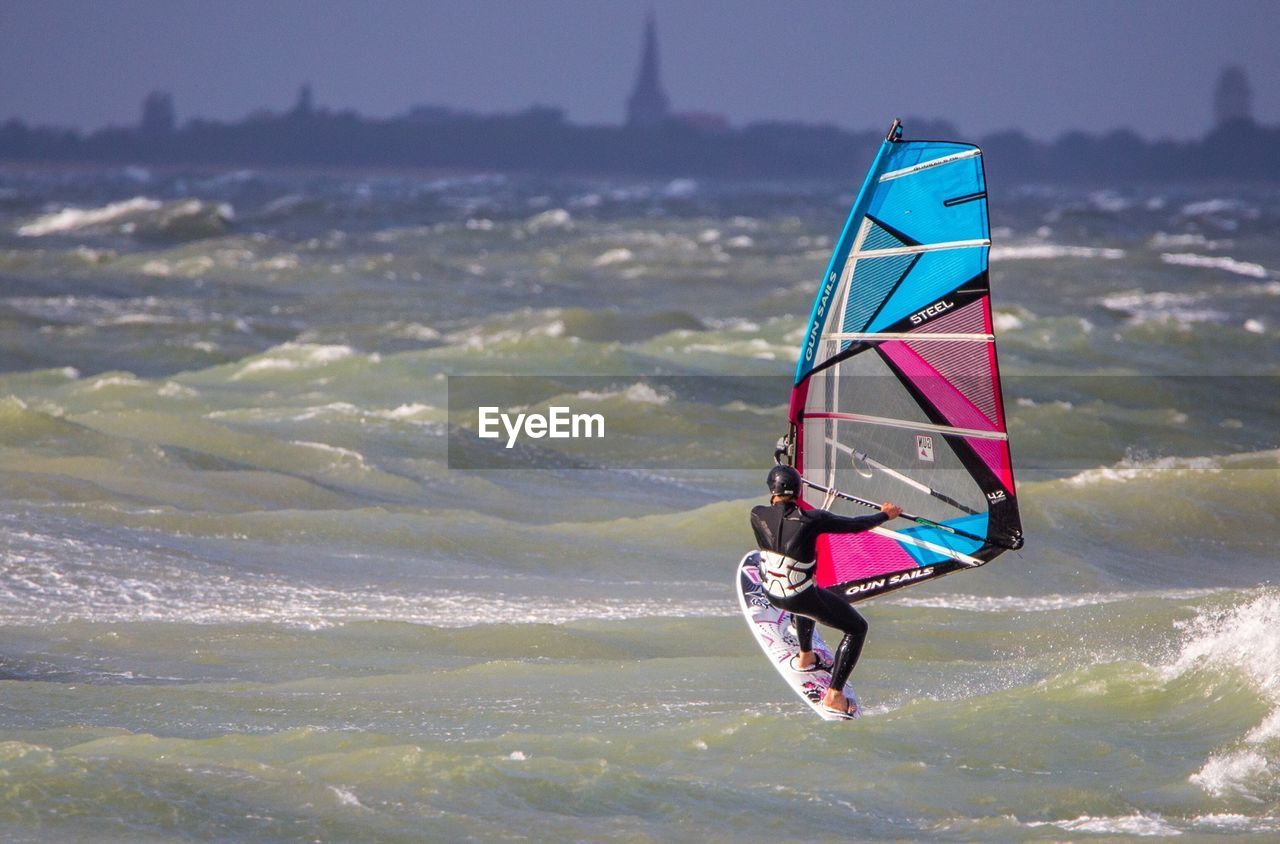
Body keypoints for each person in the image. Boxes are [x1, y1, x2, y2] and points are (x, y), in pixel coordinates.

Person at [749, 464, 902, 717]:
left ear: (771, 490)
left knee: (808, 595)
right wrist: (885, 514)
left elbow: (784, 536)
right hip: (798, 597)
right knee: (856, 628)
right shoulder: (812, 519)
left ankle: (805, 657)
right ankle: (834, 696)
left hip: (771, 593)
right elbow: (854, 526)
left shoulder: (756, 514)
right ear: (798, 491)